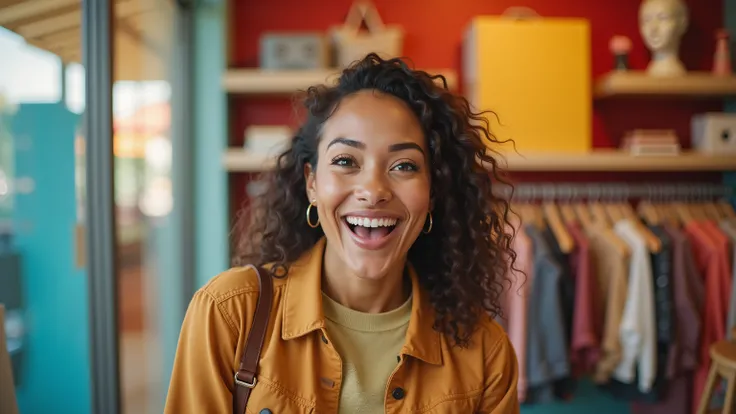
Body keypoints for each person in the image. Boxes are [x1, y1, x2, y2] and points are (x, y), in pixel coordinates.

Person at [165, 53, 520, 414]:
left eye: (404, 165)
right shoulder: (229, 313)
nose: (373, 190)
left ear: (432, 194)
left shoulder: (485, 352)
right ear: (312, 183)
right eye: (346, 161)